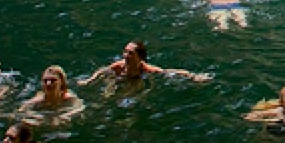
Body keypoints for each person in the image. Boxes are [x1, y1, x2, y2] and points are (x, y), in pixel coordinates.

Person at [81, 41, 212, 85]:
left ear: (140, 57)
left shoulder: (146, 69)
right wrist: (89, 80)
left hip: (137, 80)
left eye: (130, 53)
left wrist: (193, 76)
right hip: (120, 78)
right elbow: (102, 70)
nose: (125, 55)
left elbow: (170, 72)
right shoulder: (119, 66)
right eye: (125, 52)